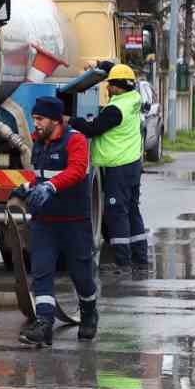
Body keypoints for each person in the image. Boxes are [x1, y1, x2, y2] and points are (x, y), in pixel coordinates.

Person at [14, 96, 99, 347]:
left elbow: (76, 170)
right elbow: (39, 175)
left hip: (74, 222)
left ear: (55, 120)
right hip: (44, 222)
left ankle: (88, 313)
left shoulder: (76, 140)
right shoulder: (40, 141)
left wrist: (51, 186)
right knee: (41, 272)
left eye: (39, 119)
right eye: (35, 119)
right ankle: (43, 325)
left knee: (81, 274)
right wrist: (27, 187)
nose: (35, 124)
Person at [71, 63, 148, 271]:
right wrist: (103, 66)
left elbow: (92, 129)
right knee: (132, 210)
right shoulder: (134, 99)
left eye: (109, 84)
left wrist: (71, 120)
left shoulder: (115, 109)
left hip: (118, 168)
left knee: (117, 213)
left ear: (116, 86)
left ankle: (123, 262)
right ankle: (141, 258)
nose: (107, 88)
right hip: (131, 165)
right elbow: (121, 69)